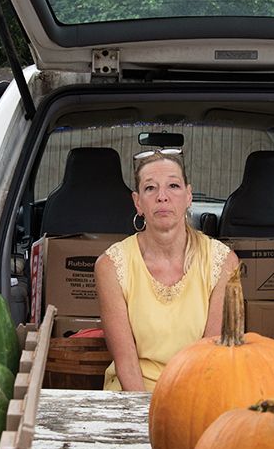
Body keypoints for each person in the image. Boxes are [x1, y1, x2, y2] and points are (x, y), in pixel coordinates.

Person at [95, 148, 239, 391]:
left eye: (173, 186)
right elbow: (126, 362)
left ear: (188, 196)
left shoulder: (223, 261)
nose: (162, 196)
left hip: (198, 392)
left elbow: (211, 359)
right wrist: (146, 416)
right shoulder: (110, 265)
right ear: (138, 202)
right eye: (150, 188)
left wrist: (183, 414)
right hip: (133, 396)